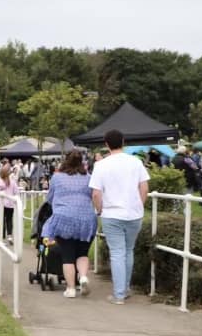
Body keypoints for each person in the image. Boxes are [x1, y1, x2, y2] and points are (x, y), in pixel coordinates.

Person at [89, 130, 150, 305]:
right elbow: (144, 188)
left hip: (111, 213)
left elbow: (96, 194)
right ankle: (125, 288)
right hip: (133, 213)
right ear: (123, 142)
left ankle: (119, 294)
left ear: (106, 144)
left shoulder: (101, 165)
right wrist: (139, 205)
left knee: (117, 253)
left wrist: (100, 210)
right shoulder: (136, 162)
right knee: (128, 250)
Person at [41, 150, 97, 298]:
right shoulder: (89, 178)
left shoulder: (57, 177)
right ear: (82, 162)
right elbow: (93, 196)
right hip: (87, 219)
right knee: (82, 253)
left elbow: (50, 198)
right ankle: (83, 277)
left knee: (68, 255)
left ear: (65, 161)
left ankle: (71, 288)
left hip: (64, 218)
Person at [0, 164, 19, 243]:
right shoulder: (13, 182)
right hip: (10, 204)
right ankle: (9, 236)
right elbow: (16, 192)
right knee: (9, 220)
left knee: (1, 219)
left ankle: (2, 237)